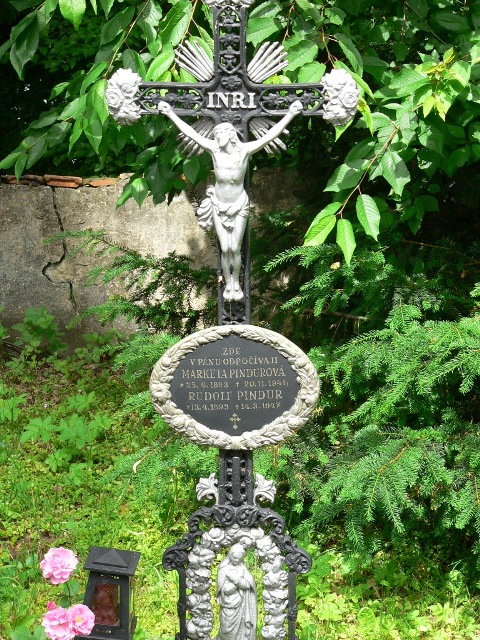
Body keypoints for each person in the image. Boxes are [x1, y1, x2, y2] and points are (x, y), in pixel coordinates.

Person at [158, 100, 303, 301]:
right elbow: (191, 133)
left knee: (235, 248)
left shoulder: (244, 150)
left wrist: (290, 114)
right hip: (219, 204)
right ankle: (229, 285)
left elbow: (269, 136)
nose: (217, 138)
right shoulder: (214, 149)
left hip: (239, 204)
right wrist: (170, 113)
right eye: (216, 135)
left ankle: (236, 282)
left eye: (221, 135)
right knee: (225, 249)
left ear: (230, 135)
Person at [216, 544, 257, 640]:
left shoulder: (243, 569)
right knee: (226, 628)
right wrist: (237, 581)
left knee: (241, 628)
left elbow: (249, 585)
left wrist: (237, 581)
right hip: (227, 604)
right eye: (234, 557)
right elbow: (225, 590)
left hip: (241, 604)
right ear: (230, 555)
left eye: (239, 558)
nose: (236, 560)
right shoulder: (224, 569)